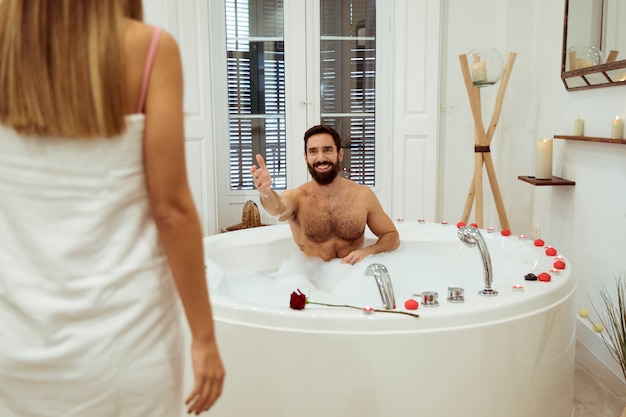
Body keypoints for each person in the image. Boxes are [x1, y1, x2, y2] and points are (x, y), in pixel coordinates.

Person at [0, 1, 224, 416]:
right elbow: (171, 210)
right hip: (127, 343)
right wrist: (204, 338)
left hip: (17, 346)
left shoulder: (9, 47)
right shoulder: (150, 48)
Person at [250, 124, 399, 265]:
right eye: (313, 151)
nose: (320, 158)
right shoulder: (297, 198)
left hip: (353, 277)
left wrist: (368, 251)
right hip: (311, 283)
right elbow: (277, 210)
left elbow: (392, 236)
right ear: (306, 157)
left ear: (339, 154)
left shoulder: (362, 196)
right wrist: (266, 194)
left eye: (327, 150)